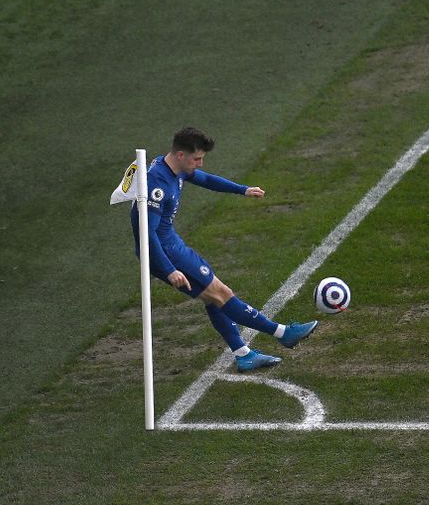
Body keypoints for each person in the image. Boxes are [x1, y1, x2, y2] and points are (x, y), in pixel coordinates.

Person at [131, 127, 317, 372]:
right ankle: (283, 333)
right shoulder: (158, 183)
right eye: (196, 158)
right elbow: (146, 233)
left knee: (213, 298)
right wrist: (168, 270)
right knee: (221, 293)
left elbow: (206, 180)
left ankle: (243, 354)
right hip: (165, 251)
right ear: (179, 154)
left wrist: (242, 189)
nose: (200, 163)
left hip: (169, 245)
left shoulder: (174, 168)